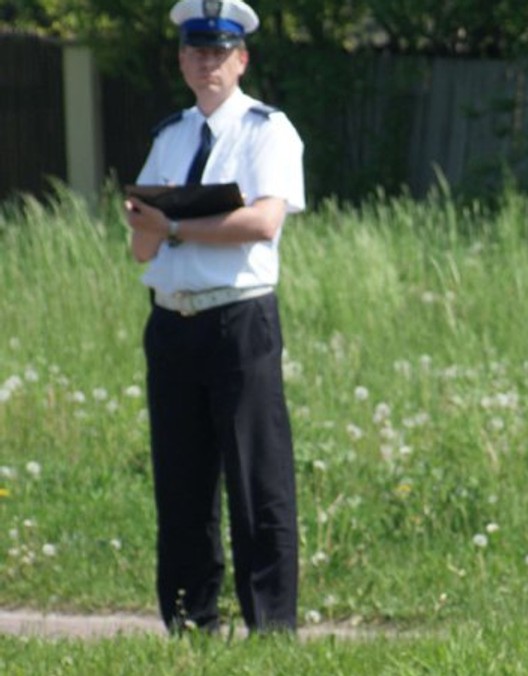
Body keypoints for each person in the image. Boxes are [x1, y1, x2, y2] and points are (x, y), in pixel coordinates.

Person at [122, 0, 304, 634]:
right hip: (171, 321)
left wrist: (172, 225)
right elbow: (138, 233)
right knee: (181, 479)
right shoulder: (169, 136)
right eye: (196, 51)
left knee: (257, 478)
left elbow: (262, 221)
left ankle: (271, 625)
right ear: (181, 59)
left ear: (242, 58)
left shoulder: (265, 130)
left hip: (237, 321)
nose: (207, 63)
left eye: (220, 52)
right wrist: (154, 231)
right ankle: (189, 619)